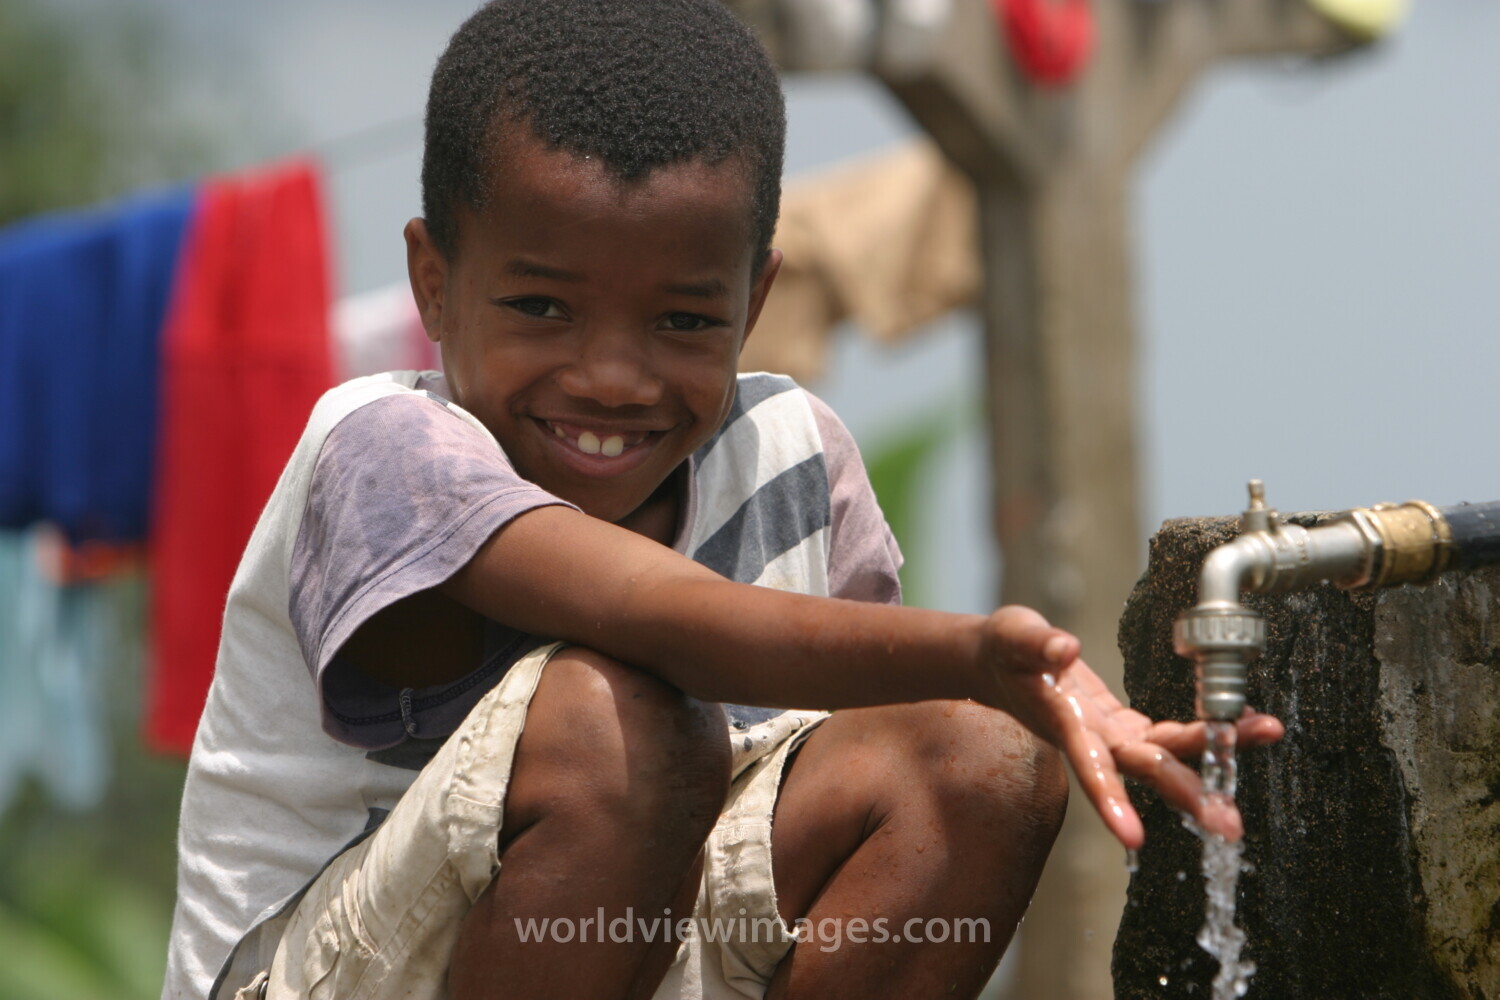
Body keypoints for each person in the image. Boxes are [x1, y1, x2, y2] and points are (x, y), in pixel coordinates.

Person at [162, 2, 1283, 998]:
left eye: (682, 321)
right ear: (433, 284)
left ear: (754, 301)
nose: (611, 375)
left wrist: (998, 698)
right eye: (543, 306)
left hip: (651, 941)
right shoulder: (384, 448)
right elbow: (658, 615)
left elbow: (866, 751)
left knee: (974, 752)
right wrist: (970, 647)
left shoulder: (794, 455)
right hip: (320, 972)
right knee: (624, 724)